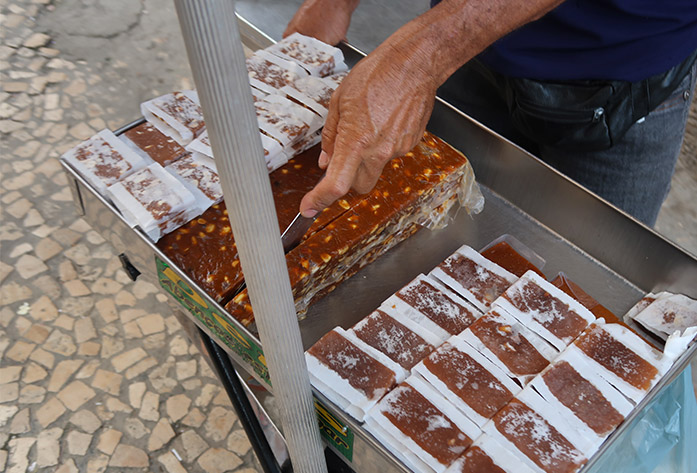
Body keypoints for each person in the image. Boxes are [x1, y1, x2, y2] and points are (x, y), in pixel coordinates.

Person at [287, 0, 697, 226]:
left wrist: (420, 59)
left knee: (598, 288)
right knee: (438, 232)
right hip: (467, 51)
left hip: (628, 74)